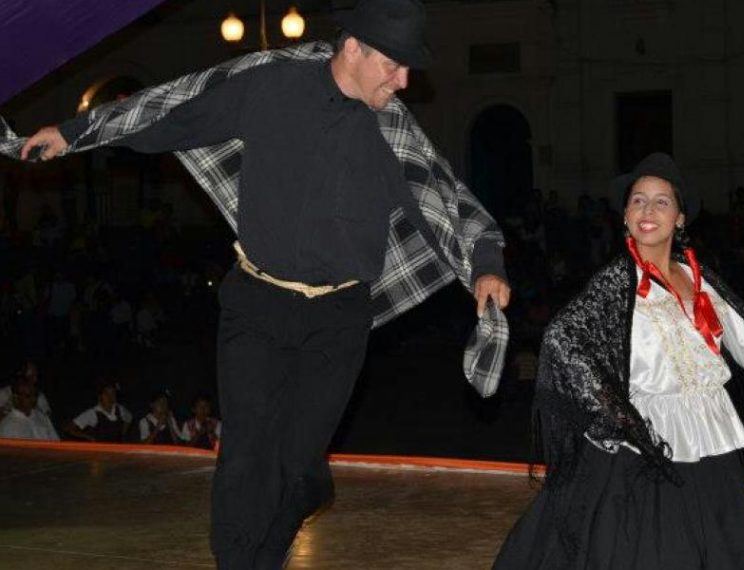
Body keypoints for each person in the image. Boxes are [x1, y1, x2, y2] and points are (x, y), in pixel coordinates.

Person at [5, 2, 511, 566]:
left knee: (296, 468)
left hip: (336, 323)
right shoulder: (269, 84)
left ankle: (306, 491)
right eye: (394, 65)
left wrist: (486, 264)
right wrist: (73, 134)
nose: (404, 81)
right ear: (353, 49)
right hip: (256, 305)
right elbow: (169, 113)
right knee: (243, 459)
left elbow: (446, 199)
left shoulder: (391, 128)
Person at [494, 153, 744, 570]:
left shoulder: (699, 278)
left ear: (680, 219)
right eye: (637, 200)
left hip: (707, 430)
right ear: (625, 216)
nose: (647, 211)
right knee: (648, 547)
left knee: (729, 543)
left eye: (661, 202)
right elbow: (563, 341)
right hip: (644, 440)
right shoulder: (617, 284)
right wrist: (614, 410)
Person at [66, 382, 132, 443]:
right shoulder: (92, 413)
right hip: (100, 451)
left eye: (113, 393)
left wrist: (122, 433)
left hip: (117, 449)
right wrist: (88, 437)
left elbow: (129, 418)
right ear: (100, 396)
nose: (110, 397)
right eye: (106, 393)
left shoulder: (120, 409)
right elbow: (70, 428)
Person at [0, 377, 59, 441]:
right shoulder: (8, 425)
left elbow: (56, 442)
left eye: (35, 395)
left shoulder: (42, 417)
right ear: (16, 398)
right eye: (28, 396)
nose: (33, 399)